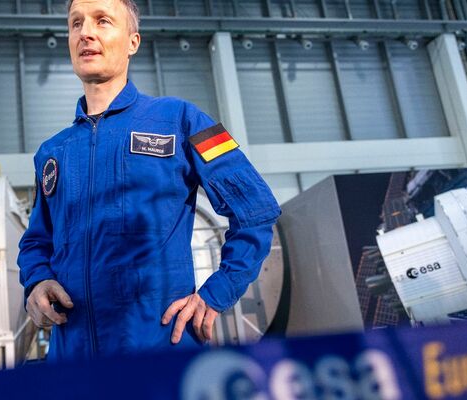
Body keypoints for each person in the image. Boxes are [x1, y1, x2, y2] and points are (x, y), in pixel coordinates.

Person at [17, 0, 281, 361]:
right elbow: (36, 241)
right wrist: (36, 281)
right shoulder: (51, 152)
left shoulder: (185, 119)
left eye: (103, 21)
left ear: (132, 42)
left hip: (160, 353)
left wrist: (217, 292)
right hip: (71, 361)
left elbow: (257, 210)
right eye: (76, 23)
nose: (86, 33)